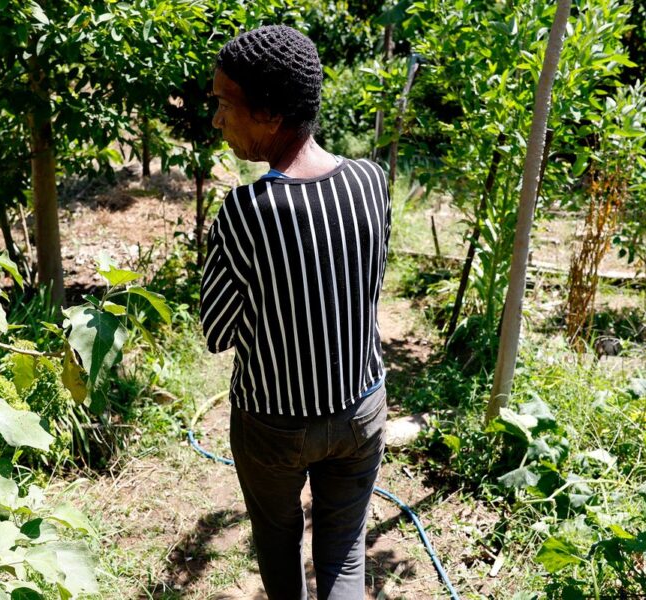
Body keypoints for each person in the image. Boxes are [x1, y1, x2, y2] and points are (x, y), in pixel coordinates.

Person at [199, 24, 391, 600]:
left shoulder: (246, 210)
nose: (216, 119)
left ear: (270, 115)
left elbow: (216, 332)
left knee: (280, 548)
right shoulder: (370, 181)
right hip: (360, 409)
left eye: (223, 104)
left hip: (273, 426)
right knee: (343, 555)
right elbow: (367, 284)